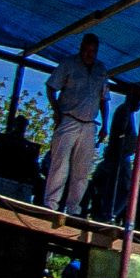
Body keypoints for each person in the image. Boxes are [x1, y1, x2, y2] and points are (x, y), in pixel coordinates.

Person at [41, 36, 107, 216]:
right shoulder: (68, 63)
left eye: (93, 51)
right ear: (81, 48)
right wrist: (56, 111)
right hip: (69, 118)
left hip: (90, 123)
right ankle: (51, 203)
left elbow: (104, 99)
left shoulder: (100, 69)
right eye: (87, 50)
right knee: (60, 163)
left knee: (82, 168)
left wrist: (105, 124)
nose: (89, 54)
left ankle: (74, 207)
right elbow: (51, 87)